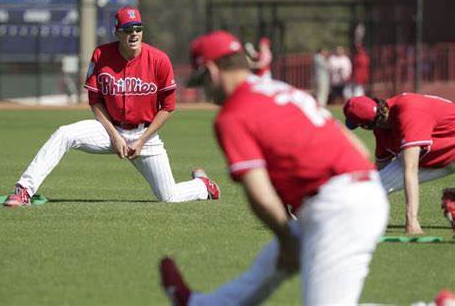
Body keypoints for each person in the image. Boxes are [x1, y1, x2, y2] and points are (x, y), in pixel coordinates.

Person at [159, 30, 389, 306]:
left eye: (202, 81)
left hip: (337, 206)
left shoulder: (233, 115)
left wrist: (286, 239)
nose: (205, 90)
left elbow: (261, 196)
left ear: (211, 70)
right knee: (266, 270)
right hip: (356, 190)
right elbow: (357, 147)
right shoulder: (280, 88)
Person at [3, 6, 220, 207]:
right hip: (109, 129)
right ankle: (24, 190)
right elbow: (95, 100)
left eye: (138, 28)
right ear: (117, 33)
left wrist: (142, 141)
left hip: (145, 133)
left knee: (169, 197)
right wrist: (115, 136)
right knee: (64, 134)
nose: (133, 33)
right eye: (127, 29)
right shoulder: (101, 55)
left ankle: (203, 185)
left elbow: (168, 107)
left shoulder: (159, 60)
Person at [343, 94, 455, 235]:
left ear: (365, 126)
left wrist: (411, 219)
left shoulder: (409, 113)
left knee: (409, 163)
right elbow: (379, 167)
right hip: (436, 155)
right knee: (374, 186)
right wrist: (349, 188)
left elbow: (411, 168)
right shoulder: (382, 125)